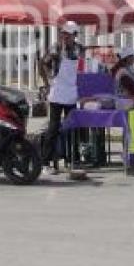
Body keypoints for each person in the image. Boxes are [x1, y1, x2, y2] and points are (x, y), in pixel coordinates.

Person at [40, 20, 83, 174]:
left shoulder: (79, 49)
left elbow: (82, 68)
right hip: (57, 92)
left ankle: (72, 160)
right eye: (63, 34)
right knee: (53, 128)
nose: (65, 37)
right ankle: (46, 162)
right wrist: (48, 81)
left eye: (68, 34)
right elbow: (42, 64)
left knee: (72, 127)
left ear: (74, 35)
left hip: (72, 93)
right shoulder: (55, 48)